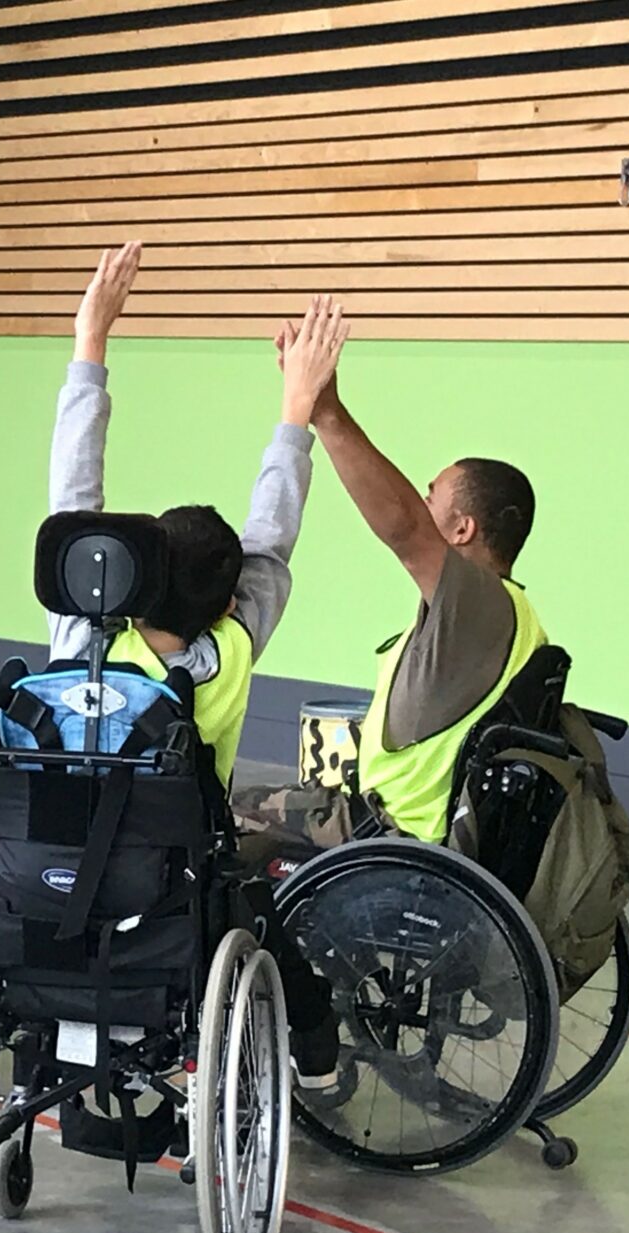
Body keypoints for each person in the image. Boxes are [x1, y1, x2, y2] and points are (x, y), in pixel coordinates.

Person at [49, 241, 348, 1081]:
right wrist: (298, 406)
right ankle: (313, 1048)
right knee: (261, 893)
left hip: (58, 862)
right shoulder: (238, 643)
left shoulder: (83, 640)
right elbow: (273, 529)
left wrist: (91, 341)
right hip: (177, 872)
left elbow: (73, 492)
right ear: (228, 595)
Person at [236, 305, 546, 857]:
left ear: (462, 527)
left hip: (395, 836)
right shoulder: (501, 618)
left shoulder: (480, 606)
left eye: (433, 496)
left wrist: (324, 415)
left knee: (219, 819)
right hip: (391, 819)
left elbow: (403, 527)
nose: (423, 506)